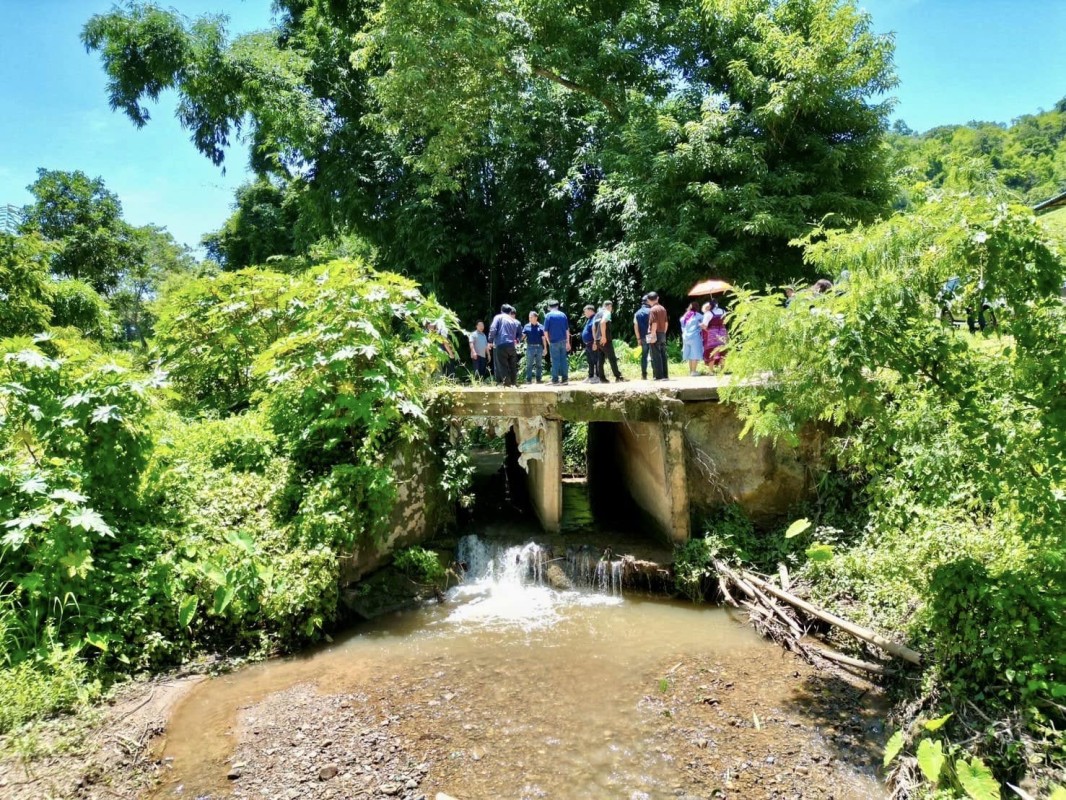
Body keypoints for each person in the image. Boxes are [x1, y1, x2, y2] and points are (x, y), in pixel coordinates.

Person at [487, 304, 521, 387]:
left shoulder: (498, 317)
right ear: (510, 312)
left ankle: (507, 384)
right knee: (512, 365)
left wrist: (490, 341)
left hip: (501, 344)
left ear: (501, 311)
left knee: (502, 365)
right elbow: (515, 333)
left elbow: (493, 328)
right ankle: (514, 383)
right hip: (511, 345)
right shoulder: (513, 320)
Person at [592, 300, 625, 382]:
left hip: (598, 340)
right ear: (609, 306)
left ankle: (602, 378)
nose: (611, 309)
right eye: (611, 307)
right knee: (612, 358)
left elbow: (593, 328)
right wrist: (603, 336)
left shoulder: (597, 314)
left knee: (601, 359)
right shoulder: (607, 312)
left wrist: (595, 340)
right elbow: (603, 323)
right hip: (605, 339)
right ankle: (618, 377)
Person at [543, 300, 571, 385]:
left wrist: (548, 341)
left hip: (554, 341)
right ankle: (565, 379)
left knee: (555, 360)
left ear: (549, 307)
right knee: (563, 360)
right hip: (563, 341)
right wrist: (568, 342)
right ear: (557, 306)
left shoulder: (548, 316)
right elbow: (567, 330)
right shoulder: (563, 315)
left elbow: (545, 331)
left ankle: (555, 380)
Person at [646, 292, 669, 380]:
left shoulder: (652, 310)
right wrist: (663, 332)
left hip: (654, 333)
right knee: (663, 354)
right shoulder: (663, 308)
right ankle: (665, 375)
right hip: (662, 333)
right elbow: (666, 323)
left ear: (648, 300)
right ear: (657, 298)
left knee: (655, 355)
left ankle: (659, 376)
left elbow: (654, 323)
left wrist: (652, 335)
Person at [522, 311, 549, 384]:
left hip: (539, 347)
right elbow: (522, 337)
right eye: (529, 317)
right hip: (530, 347)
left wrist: (545, 348)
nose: (529, 318)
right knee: (529, 364)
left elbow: (543, 338)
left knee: (539, 364)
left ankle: (538, 379)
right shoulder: (526, 326)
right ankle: (528, 380)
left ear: (536, 317)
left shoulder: (541, 327)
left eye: (531, 317)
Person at [701, 298, 728, 369]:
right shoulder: (723, 311)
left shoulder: (708, 313)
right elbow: (725, 322)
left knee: (712, 350)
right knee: (722, 350)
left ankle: (711, 371)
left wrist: (701, 325)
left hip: (712, 333)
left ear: (710, 305)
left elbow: (704, 326)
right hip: (722, 332)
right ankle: (722, 369)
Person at [681, 301, 704, 376]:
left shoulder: (685, 316)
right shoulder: (699, 316)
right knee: (694, 354)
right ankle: (694, 371)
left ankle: (691, 371)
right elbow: (703, 325)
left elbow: (682, 324)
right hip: (695, 337)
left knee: (690, 355)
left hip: (685, 337)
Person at [633, 294, 651, 380]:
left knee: (644, 355)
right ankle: (656, 374)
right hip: (651, 335)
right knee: (653, 354)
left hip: (642, 337)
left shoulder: (637, 313)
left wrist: (638, 339)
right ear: (648, 301)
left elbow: (636, 327)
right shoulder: (651, 311)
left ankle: (644, 375)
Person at [580, 304, 598, 383]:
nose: (585, 314)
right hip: (588, 344)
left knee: (595, 360)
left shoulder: (595, 318)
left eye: (586, 312)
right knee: (590, 361)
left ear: (591, 311)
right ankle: (590, 376)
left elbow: (596, 331)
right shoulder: (589, 319)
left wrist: (595, 342)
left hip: (592, 343)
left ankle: (597, 376)